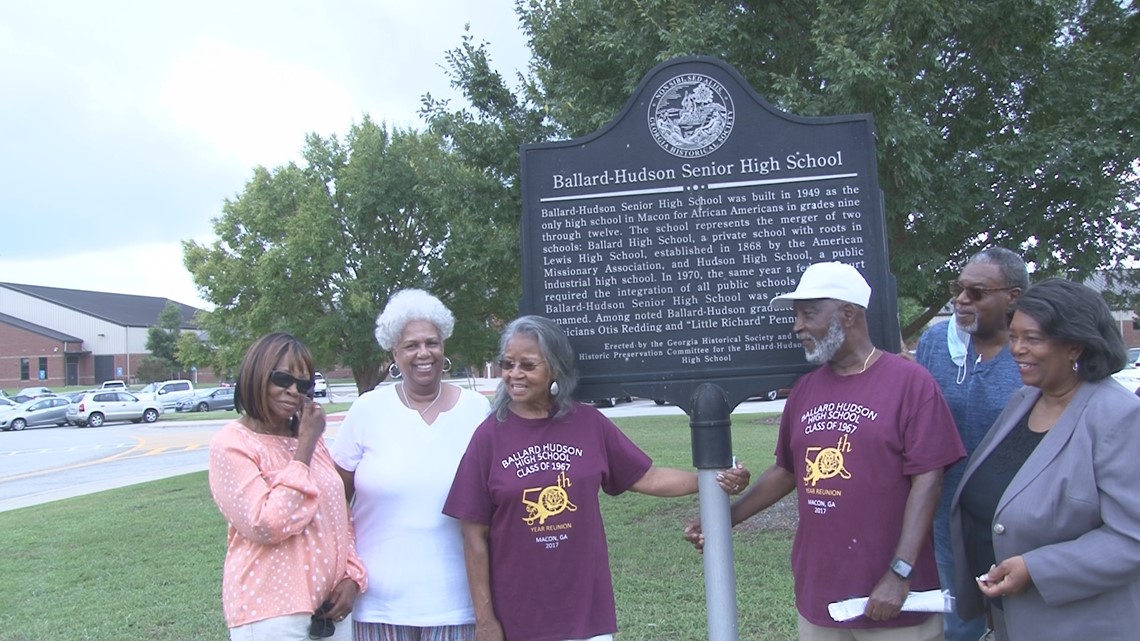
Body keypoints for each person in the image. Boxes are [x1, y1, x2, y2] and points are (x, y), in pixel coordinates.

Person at [686, 261, 965, 640]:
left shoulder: (911, 384)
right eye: (796, 315)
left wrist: (900, 572)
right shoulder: (806, 389)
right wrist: (725, 521)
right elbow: (786, 472)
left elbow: (928, 482)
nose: (797, 326)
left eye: (808, 314)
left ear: (848, 314)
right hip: (820, 591)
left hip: (893, 598)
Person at [442, 315, 750, 641]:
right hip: (519, 617)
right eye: (507, 364)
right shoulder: (489, 437)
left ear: (555, 370)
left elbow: (649, 477)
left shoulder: (588, 423)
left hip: (586, 615)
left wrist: (717, 477)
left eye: (528, 365)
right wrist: (485, 620)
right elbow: (473, 534)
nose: (514, 374)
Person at [950, 279, 1140, 641]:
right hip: (1010, 621)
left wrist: (1036, 569)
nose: (1017, 349)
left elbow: (1132, 537)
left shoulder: (1119, 417)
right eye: (1014, 335)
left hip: (1080, 627)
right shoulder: (1024, 401)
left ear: (1074, 346)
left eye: (1033, 339)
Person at [329, 289, 491, 641]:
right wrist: (344, 568)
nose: (423, 353)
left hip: (457, 605)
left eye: (432, 342)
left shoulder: (477, 410)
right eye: (411, 345)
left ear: (444, 347)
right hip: (377, 604)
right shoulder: (367, 410)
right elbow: (332, 499)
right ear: (394, 353)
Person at [208, 332, 366, 641]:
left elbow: (339, 517)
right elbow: (267, 524)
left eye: (304, 385)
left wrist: (352, 576)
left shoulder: (310, 440)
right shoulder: (232, 445)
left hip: (331, 611)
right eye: (282, 379)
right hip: (272, 614)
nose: (294, 391)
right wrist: (304, 447)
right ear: (257, 376)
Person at [915, 247, 1027, 641]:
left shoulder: (1030, 352)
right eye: (958, 289)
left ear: (1011, 297)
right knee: (959, 620)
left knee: (1018, 615)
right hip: (946, 512)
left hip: (1015, 515)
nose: (961, 300)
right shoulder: (934, 344)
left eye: (976, 292)